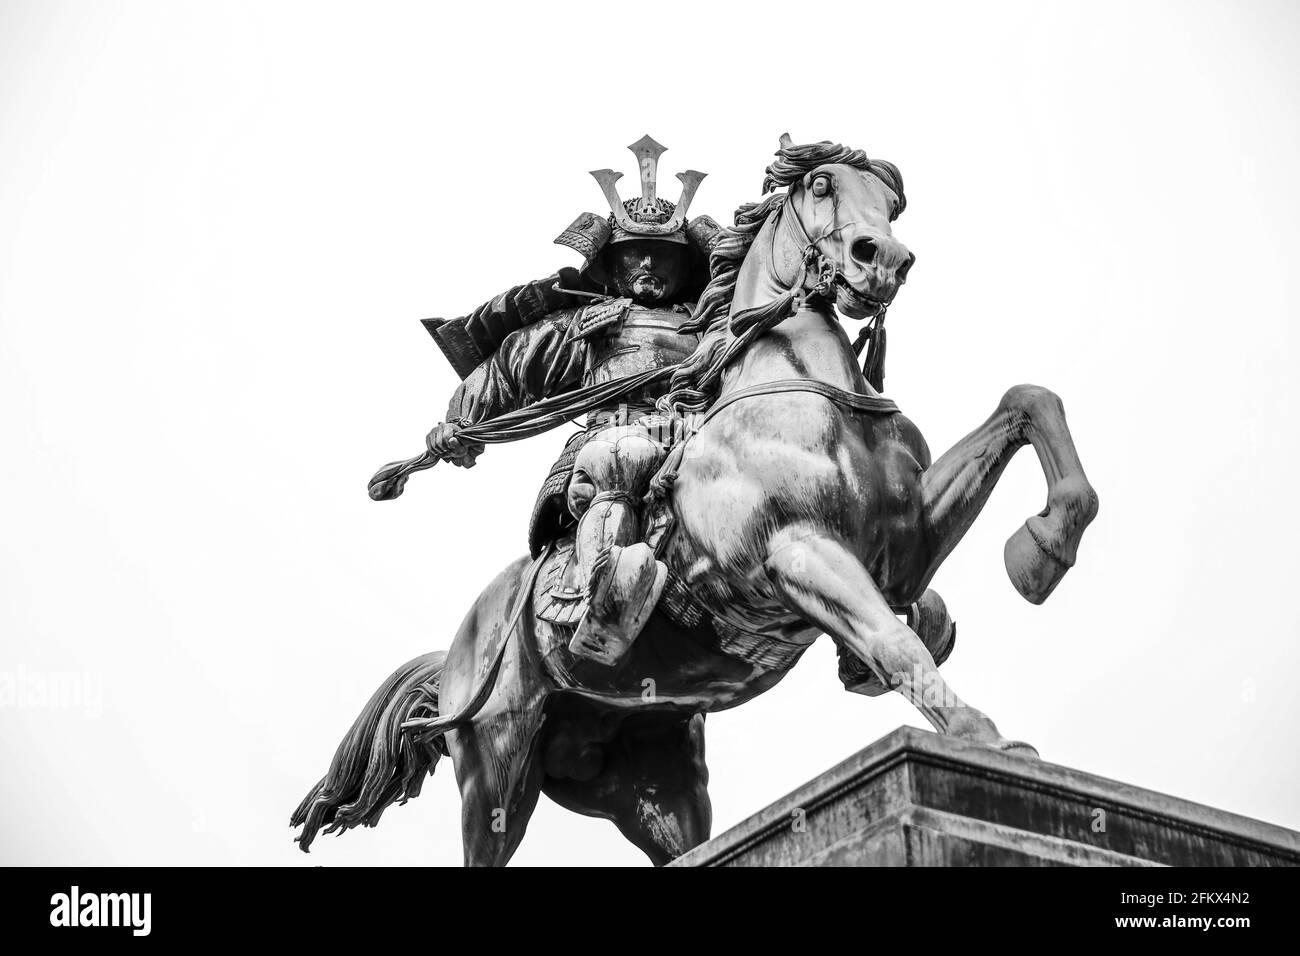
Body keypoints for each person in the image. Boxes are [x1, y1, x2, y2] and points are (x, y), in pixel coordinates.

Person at [422, 136, 719, 666]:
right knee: (621, 456)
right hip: (613, 440)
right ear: (611, 265)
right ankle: (600, 598)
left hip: (699, 439)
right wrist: (459, 421)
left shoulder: (714, 323)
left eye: (662, 257)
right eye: (634, 256)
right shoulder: (589, 323)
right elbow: (512, 365)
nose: (648, 264)